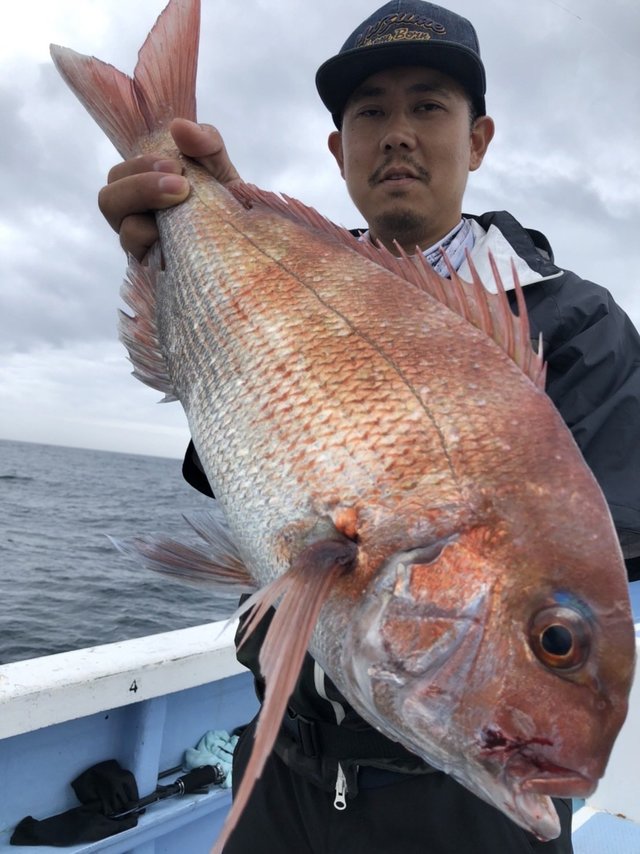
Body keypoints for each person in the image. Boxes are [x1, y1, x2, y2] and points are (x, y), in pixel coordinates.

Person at [99, 2, 640, 851]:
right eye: (369, 113)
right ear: (336, 149)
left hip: (459, 808)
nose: (397, 134)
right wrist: (178, 255)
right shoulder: (292, 280)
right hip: (283, 762)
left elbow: (596, 549)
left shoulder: (574, 324)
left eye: (428, 105)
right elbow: (230, 460)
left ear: (480, 139)